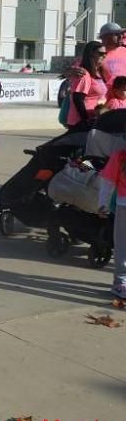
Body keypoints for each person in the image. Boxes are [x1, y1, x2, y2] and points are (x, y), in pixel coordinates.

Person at [99, 149, 126, 300]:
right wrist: (103, 203)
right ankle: (120, 281)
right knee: (123, 245)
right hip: (124, 206)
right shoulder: (120, 156)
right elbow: (108, 182)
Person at [66, 41, 106, 131]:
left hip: (93, 119)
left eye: (105, 53)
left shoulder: (98, 73)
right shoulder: (84, 74)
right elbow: (77, 98)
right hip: (80, 122)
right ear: (91, 54)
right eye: (101, 53)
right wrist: (86, 120)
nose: (104, 56)